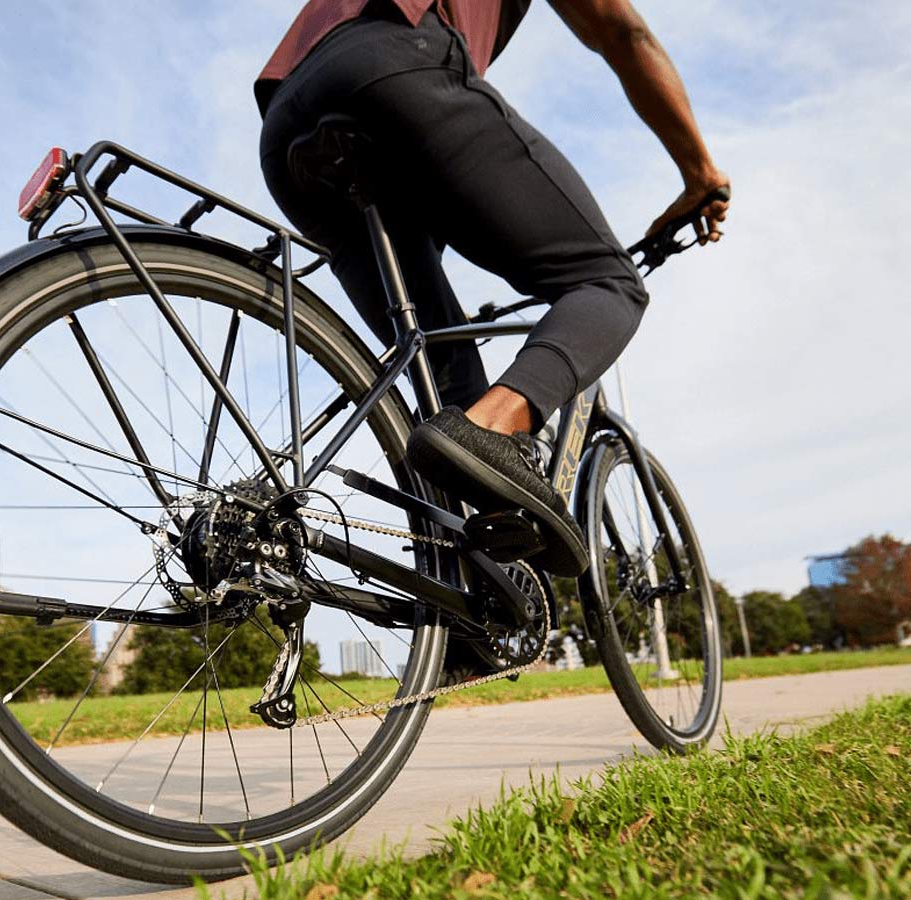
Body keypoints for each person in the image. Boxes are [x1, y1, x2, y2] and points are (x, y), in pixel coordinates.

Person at [256, 0, 729, 571]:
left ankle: (460, 624)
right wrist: (699, 170)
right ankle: (499, 424)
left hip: (285, 130)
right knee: (606, 283)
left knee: (443, 374)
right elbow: (621, 30)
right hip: (394, 63)